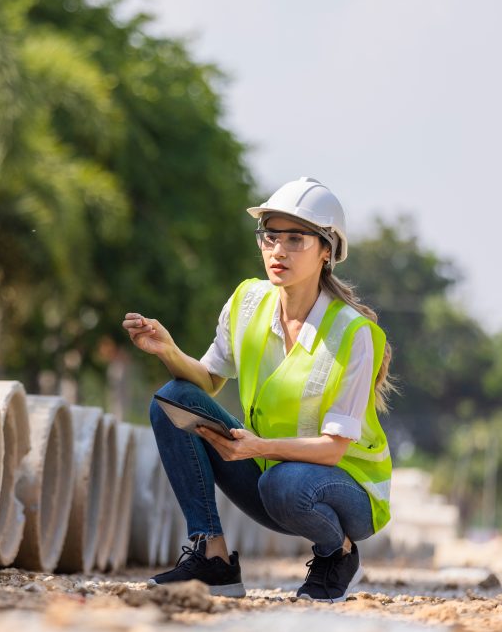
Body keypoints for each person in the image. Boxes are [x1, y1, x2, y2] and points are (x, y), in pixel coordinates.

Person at [121, 177, 394, 602]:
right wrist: (168, 350)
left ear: (327, 251)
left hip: (346, 490)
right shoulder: (249, 301)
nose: (278, 251)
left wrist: (258, 448)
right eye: (270, 236)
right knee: (174, 398)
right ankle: (213, 557)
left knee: (283, 483)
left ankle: (336, 553)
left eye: (295, 239)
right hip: (271, 475)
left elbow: (332, 450)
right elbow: (208, 380)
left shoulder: (353, 333)